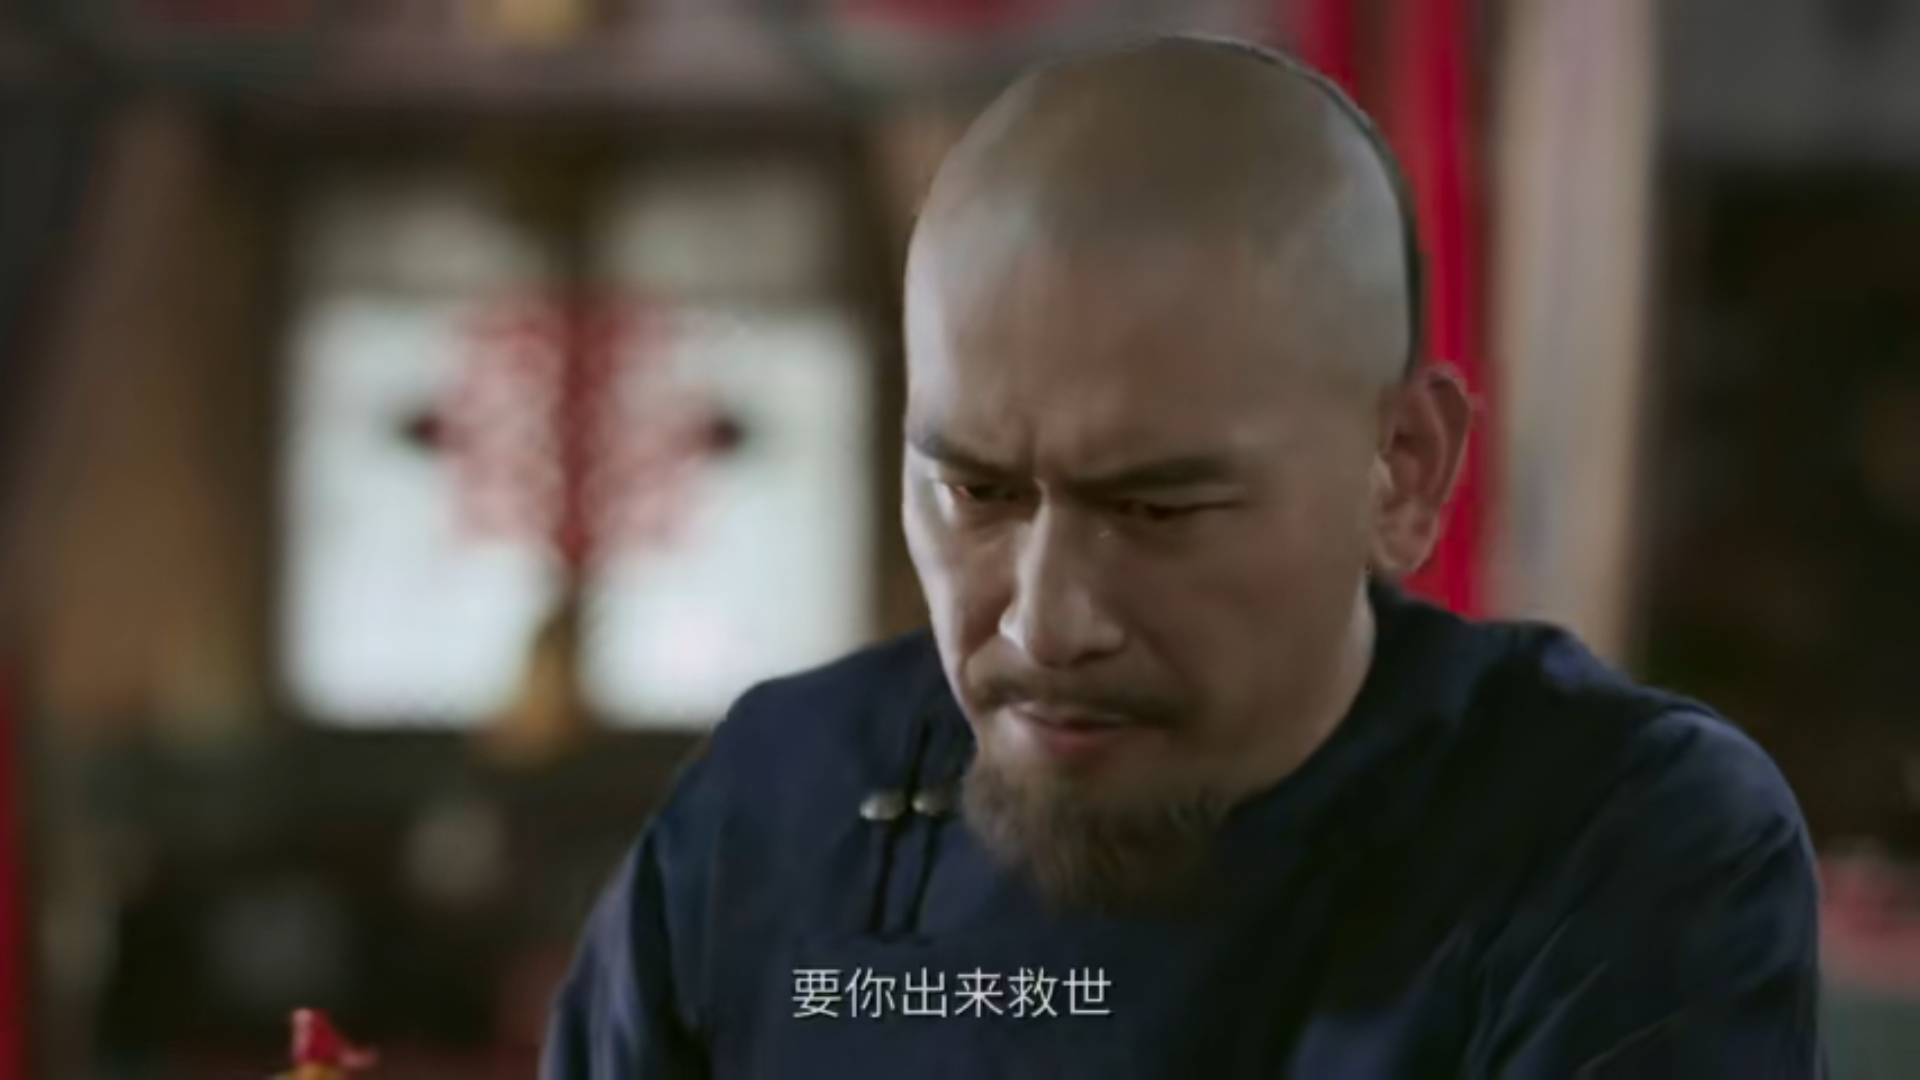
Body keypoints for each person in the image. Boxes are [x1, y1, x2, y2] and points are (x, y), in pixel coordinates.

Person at [544, 36, 1822, 1078]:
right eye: (977, 491)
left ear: (1402, 468)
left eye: (1157, 509)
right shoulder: (770, 815)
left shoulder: (1613, 842)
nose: (1046, 624)